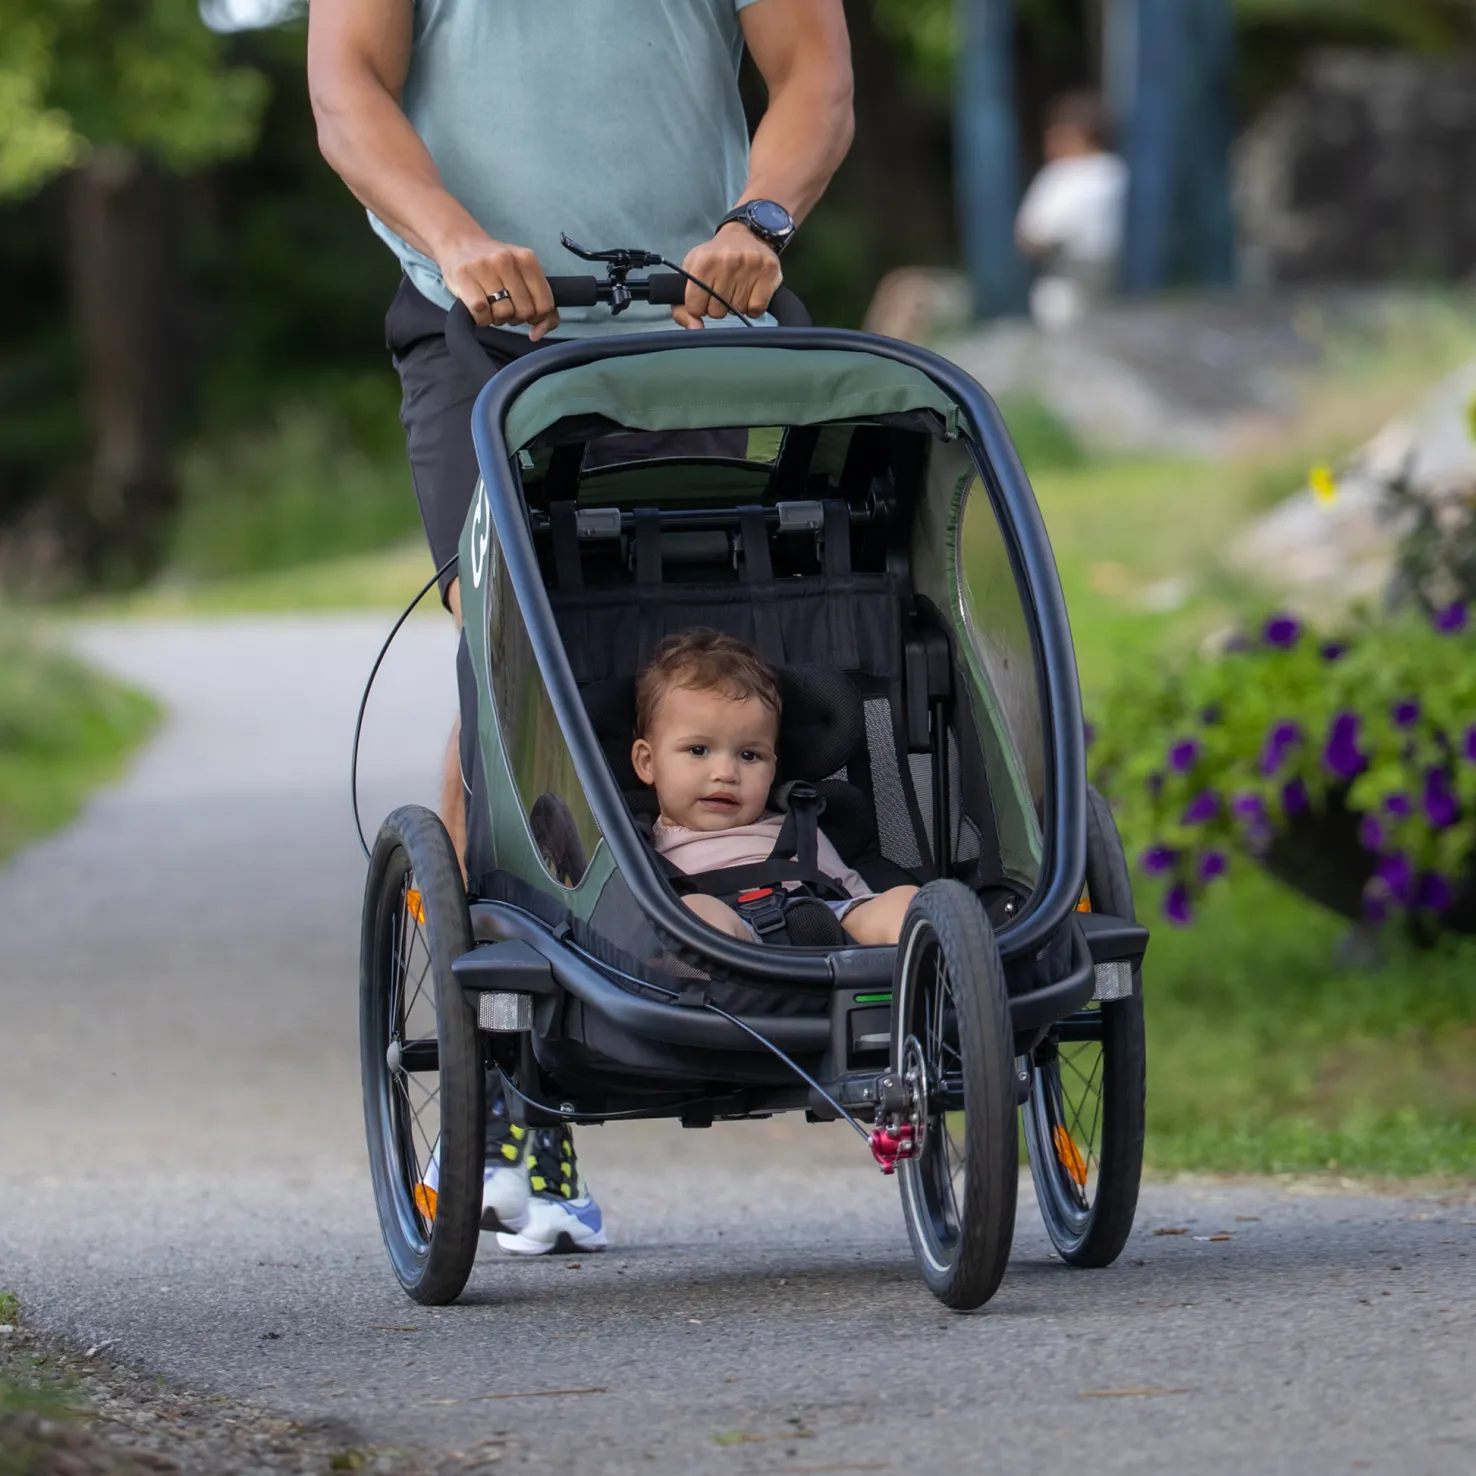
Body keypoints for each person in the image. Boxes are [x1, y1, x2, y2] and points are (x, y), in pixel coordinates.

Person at [307, 0, 855, 1255]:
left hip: (698, 318)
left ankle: (772, 914)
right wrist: (452, 236)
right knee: (510, 659)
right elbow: (346, 90)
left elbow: (815, 75)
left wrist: (759, 219)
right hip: (481, 326)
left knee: (723, 657)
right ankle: (508, 1077)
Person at [632, 631, 917, 946]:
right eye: (698, 750)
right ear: (647, 762)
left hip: (825, 922)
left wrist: (880, 915)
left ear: (772, 769)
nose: (726, 773)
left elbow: (853, 895)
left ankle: (930, 967)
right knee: (692, 915)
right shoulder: (638, 849)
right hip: (732, 947)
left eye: (749, 755)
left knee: (906, 901)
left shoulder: (797, 824)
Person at [1014, 91, 1128, 331]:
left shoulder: (1099, 174)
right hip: (1065, 272)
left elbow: (1041, 232)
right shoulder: (1110, 173)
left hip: (1079, 273)